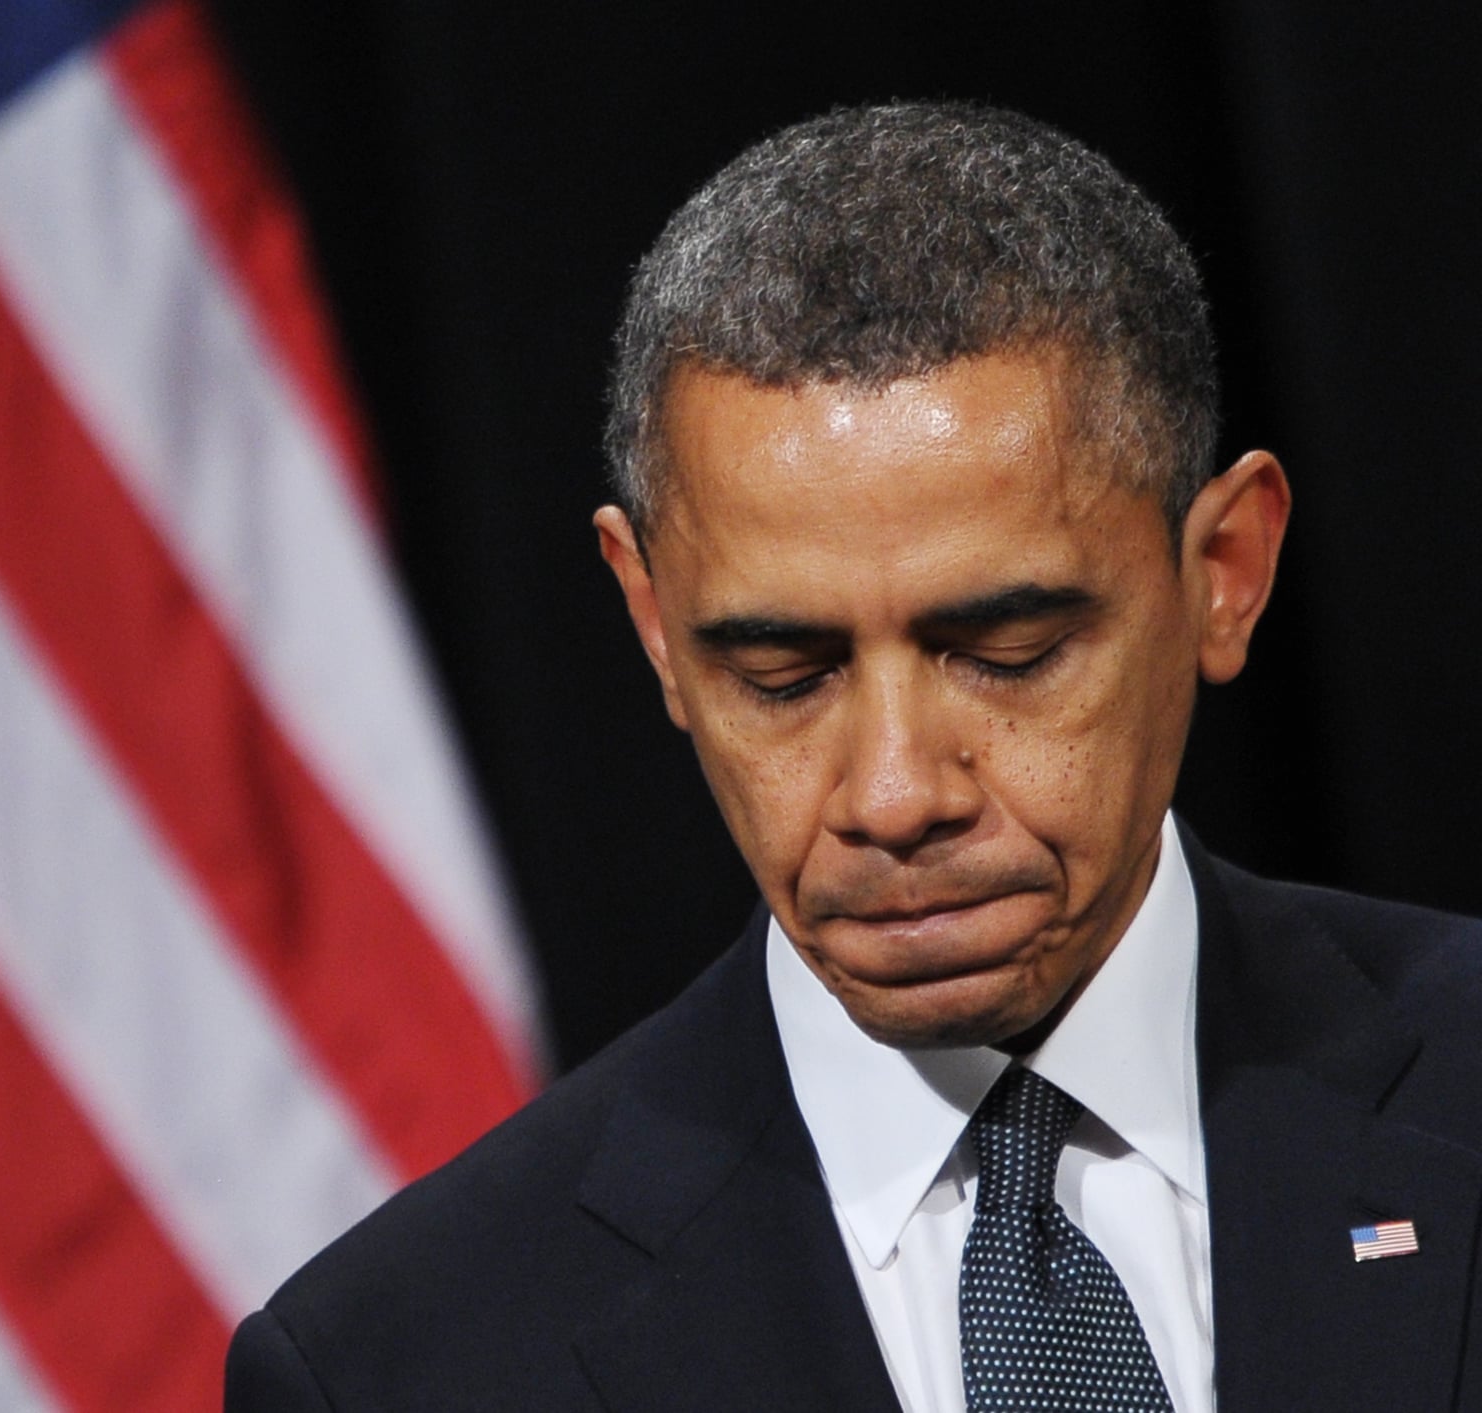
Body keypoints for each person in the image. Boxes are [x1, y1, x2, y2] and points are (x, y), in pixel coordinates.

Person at [223, 102, 1482, 1411]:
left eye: (1006, 652)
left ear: (1224, 571)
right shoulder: (403, 1367)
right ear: (654, 624)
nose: (893, 797)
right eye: (785, 677)